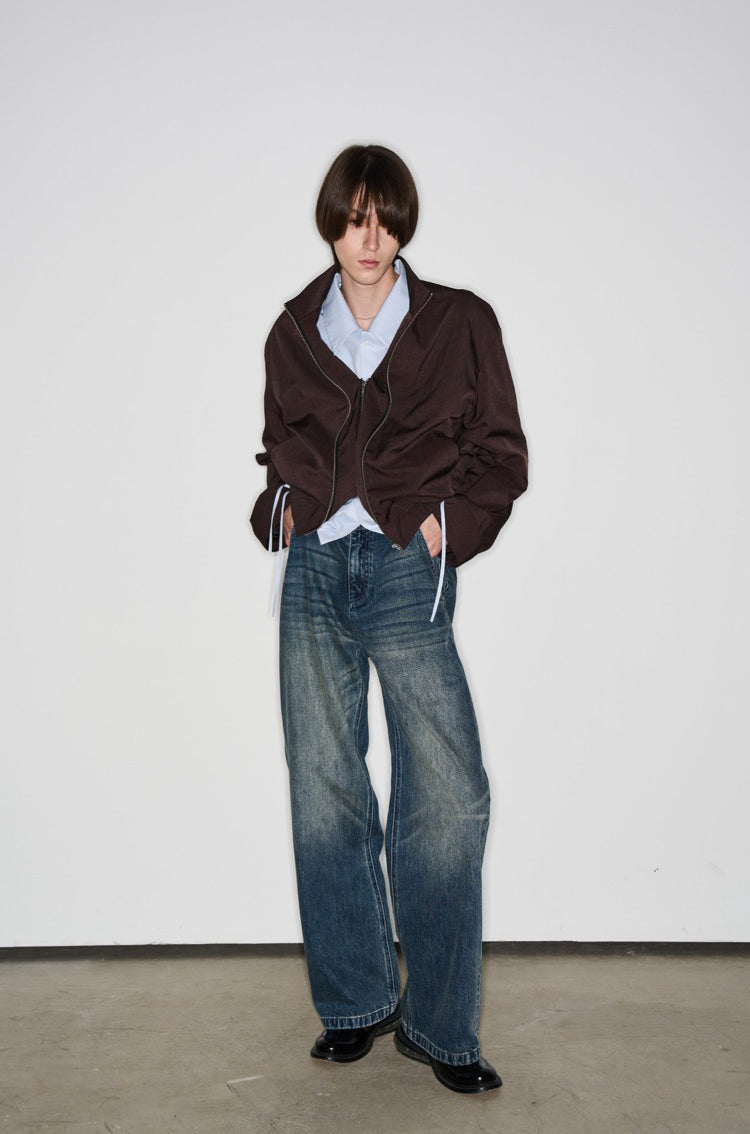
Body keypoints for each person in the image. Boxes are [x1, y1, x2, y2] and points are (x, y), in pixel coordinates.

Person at [249, 144, 528, 1094]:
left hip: (410, 560)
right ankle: (355, 1002)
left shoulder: (458, 320)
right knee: (324, 785)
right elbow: (278, 443)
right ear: (331, 223)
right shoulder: (293, 330)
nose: (369, 239)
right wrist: (281, 506)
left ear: (402, 224)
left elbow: (501, 451)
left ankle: (442, 1028)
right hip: (317, 567)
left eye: (385, 219)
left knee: (447, 793)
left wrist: (452, 525)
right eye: (353, 218)